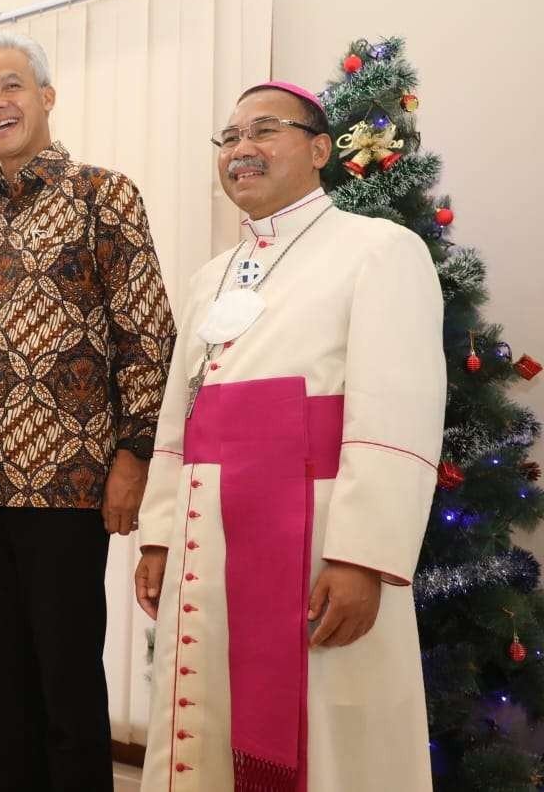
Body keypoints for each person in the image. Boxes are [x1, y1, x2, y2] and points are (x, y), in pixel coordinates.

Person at [135, 82, 444, 791]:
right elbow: (180, 416)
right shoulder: (208, 278)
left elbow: (396, 411)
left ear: (319, 148)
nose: (242, 148)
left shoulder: (379, 249)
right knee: (203, 722)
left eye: (265, 131)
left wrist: (363, 555)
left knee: (327, 734)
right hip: (206, 537)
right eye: (231, 136)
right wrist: (159, 534)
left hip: (316, 537)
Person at [0, 32, 175, 790]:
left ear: (46, 97)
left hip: (69, 487)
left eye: (11, 87)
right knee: (0, 688)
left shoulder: (106, 195)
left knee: (66, 685)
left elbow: (147, 333)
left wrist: (134, 455)